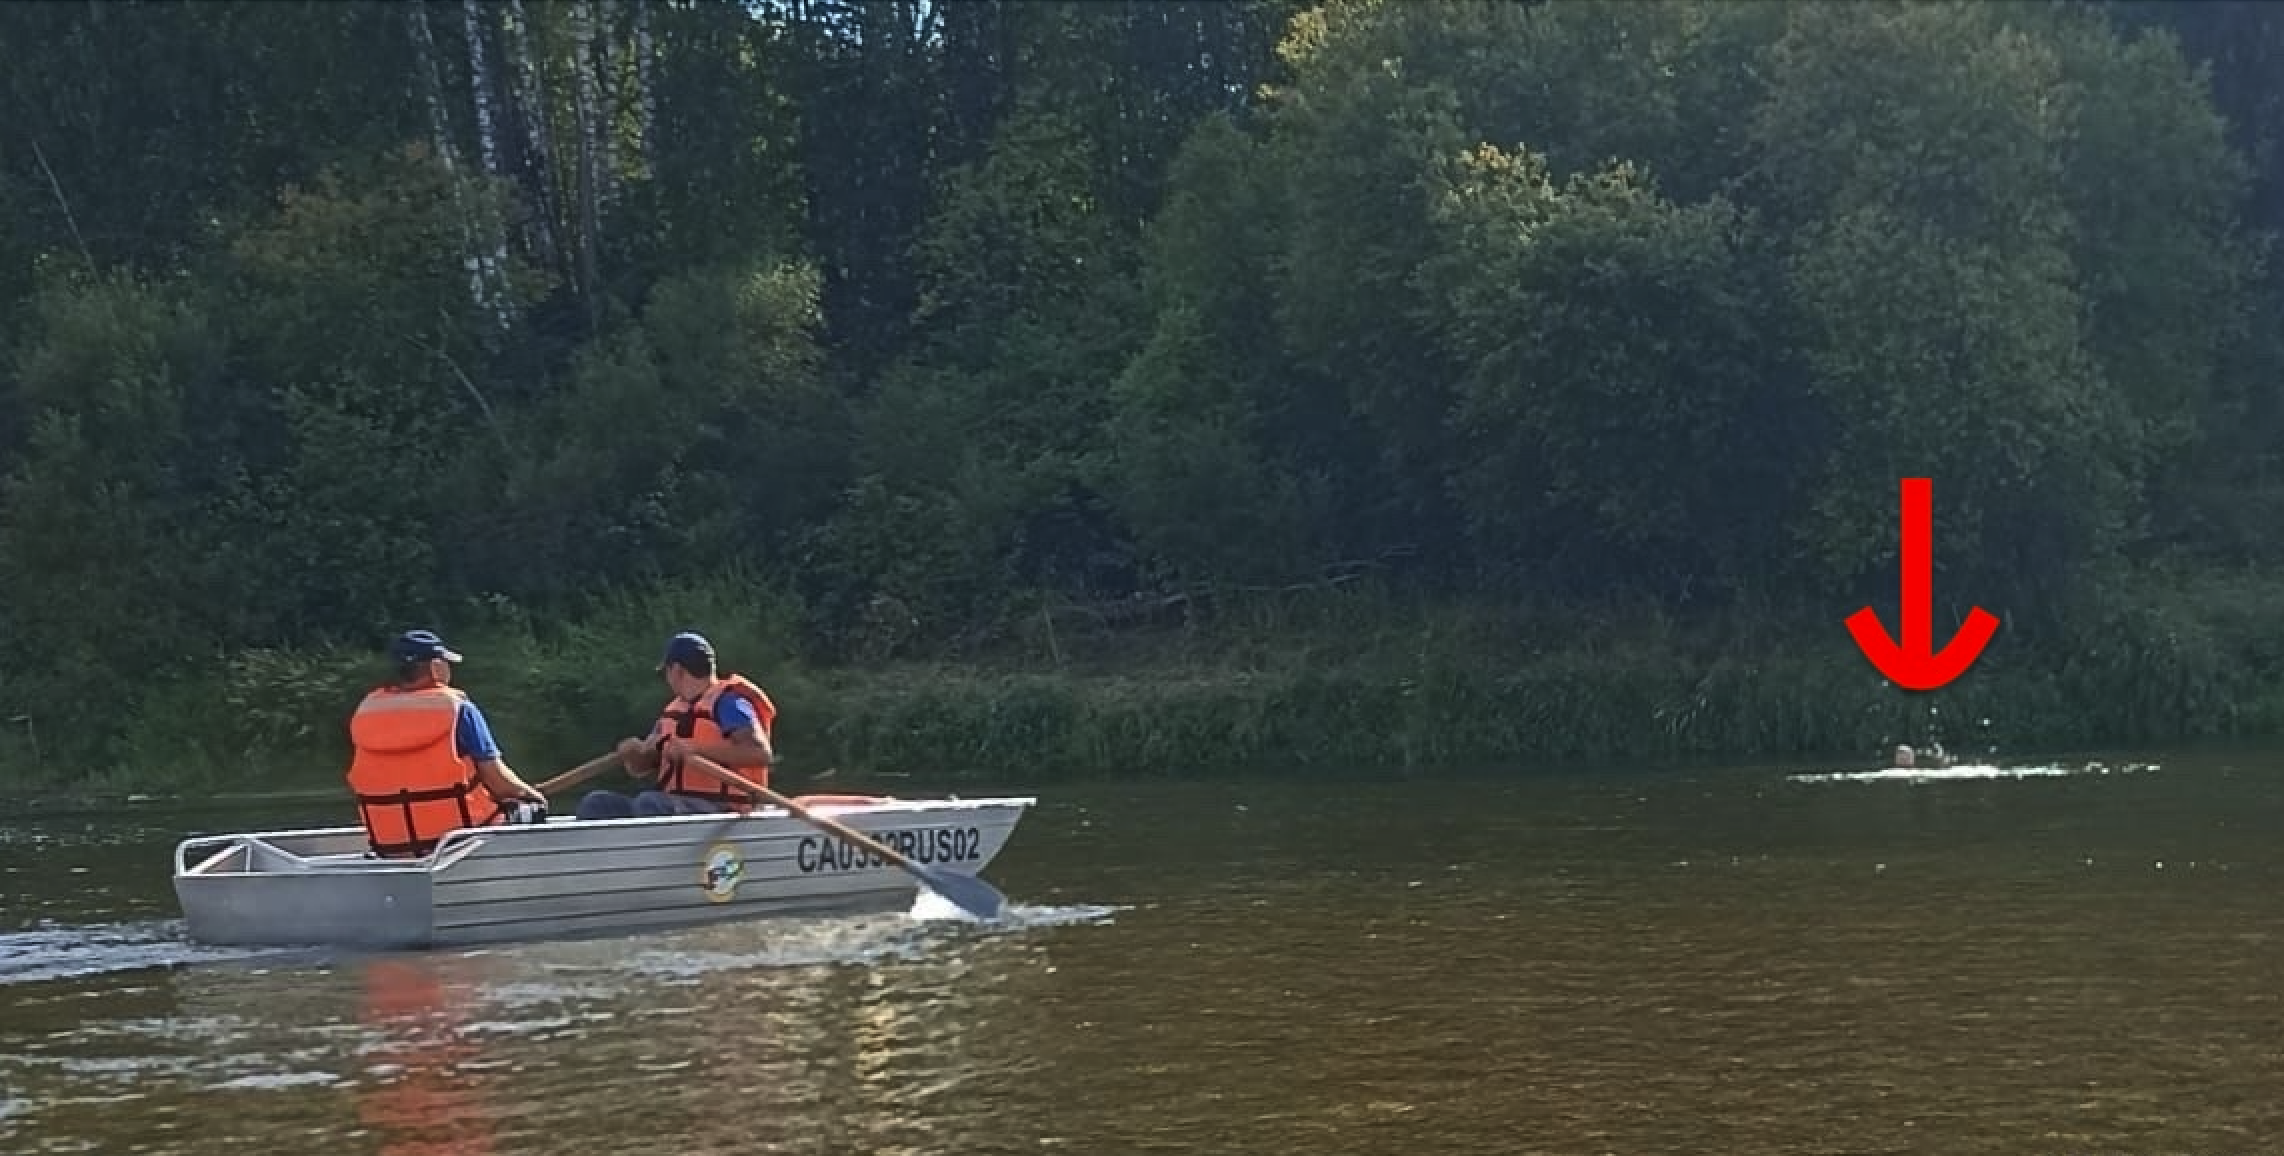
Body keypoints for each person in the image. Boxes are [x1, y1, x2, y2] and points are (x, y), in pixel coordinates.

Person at [345, 630, 549, 859]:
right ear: (435, 667)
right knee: (528, 810)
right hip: (460, 843)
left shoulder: (367, 714)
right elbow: (499, 783)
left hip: (392, 848)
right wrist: (532, 795)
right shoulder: (458, 710)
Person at [575, 631, 777, 821]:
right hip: (676, 805)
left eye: (667, 671)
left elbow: (760, 753)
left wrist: (695, 750)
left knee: (650, 802)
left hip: (722, 809)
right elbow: (641, 767)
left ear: (677, 670)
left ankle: (650, 858)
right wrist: (635, 754)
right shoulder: (673, 712)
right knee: (597, 803)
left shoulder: (729, 703)